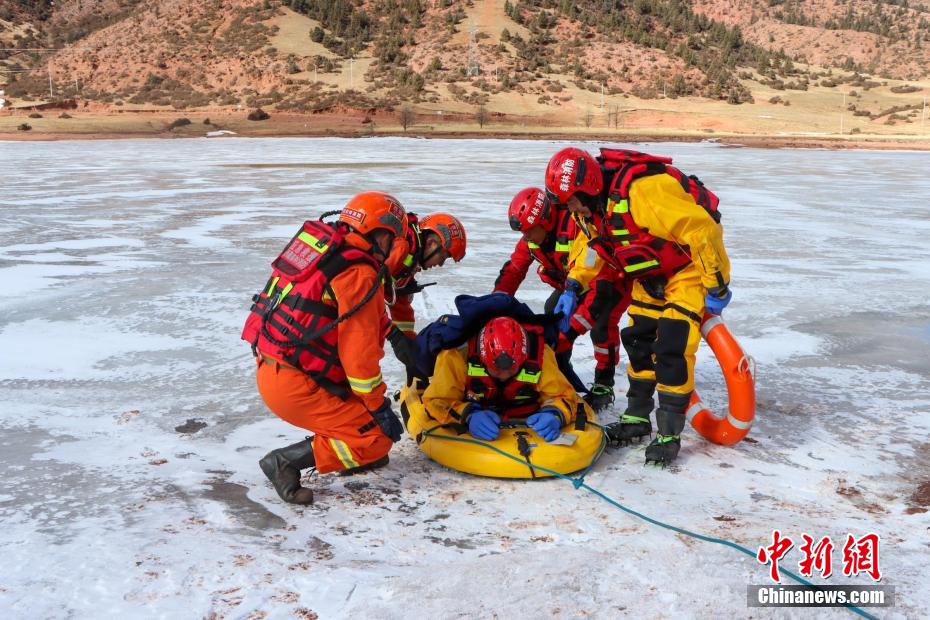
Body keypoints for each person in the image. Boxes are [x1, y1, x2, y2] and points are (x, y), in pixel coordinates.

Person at [544, 147, 732, 465]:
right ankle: (637, 418)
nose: (570, 208)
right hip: (648, 276)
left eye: (571, 201)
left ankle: (669, 434)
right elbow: (591, 248)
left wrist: (716, 282)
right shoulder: (589, 212)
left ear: (587, 188)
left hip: (685, 272)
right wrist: (574, 284)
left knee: (672, 347)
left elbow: (701, 229)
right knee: (639, 343)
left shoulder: (644, 191)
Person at [242, 191, 408, 504]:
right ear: (381, 234)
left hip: (275, 367)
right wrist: (378, 406)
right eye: (393, 238)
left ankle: (350, 445)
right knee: (377, 439)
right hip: (296, 385)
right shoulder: (359, 272)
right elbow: (359, 361)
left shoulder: (328, 251)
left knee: (368, 433)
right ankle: (284, 462)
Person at [494, 187, 629, 412]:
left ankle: (604, 383)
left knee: (601, 326)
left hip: (609, 280)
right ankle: (558, 367)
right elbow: (513, 270)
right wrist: (496, 303)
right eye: (523, 232)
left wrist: (570, 331)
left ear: (545, 222)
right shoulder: (531, 239)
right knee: (551, 312)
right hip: (572, 286)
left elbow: (594, 269)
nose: (525, 237)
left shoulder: (577, 226)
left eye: (529, 230)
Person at [422, 316, 581, 443]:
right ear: (482, 359)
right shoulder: (456, 355)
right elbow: (438, 400)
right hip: (476, 410)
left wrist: (555, 413)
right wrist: (467, 415)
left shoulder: (541, 355)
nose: (504, 375)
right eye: (496, 369)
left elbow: (563, 395)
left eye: (512, 369)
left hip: (525, 415)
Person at [385, 212, 467, 370]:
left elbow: (400, 305)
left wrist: (411, 349)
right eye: (443, 256)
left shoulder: (410, 259)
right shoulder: (401, 249)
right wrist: (391, 332)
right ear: (431, 243)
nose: (441, 264)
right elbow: (367, 292)